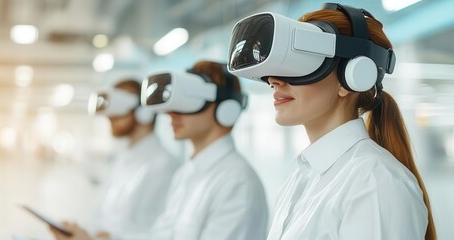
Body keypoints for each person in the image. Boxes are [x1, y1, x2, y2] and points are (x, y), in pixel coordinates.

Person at [228, 2, 435, 240]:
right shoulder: (302, 176)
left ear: (352, 76)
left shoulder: (374, 182)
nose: (274, 80)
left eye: (297, 64)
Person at [51, 61, 269, 240]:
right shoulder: (187, 173)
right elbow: (162, 236)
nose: (171, 114)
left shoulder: (237, 183)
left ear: (226, 110)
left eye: (188, 103)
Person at [83, 79, 180, 238]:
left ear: (144, 112)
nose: (111, 118)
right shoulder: (123, 158)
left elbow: (160, 234)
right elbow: (102, 216)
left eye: (119, 111)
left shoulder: (164, 166)